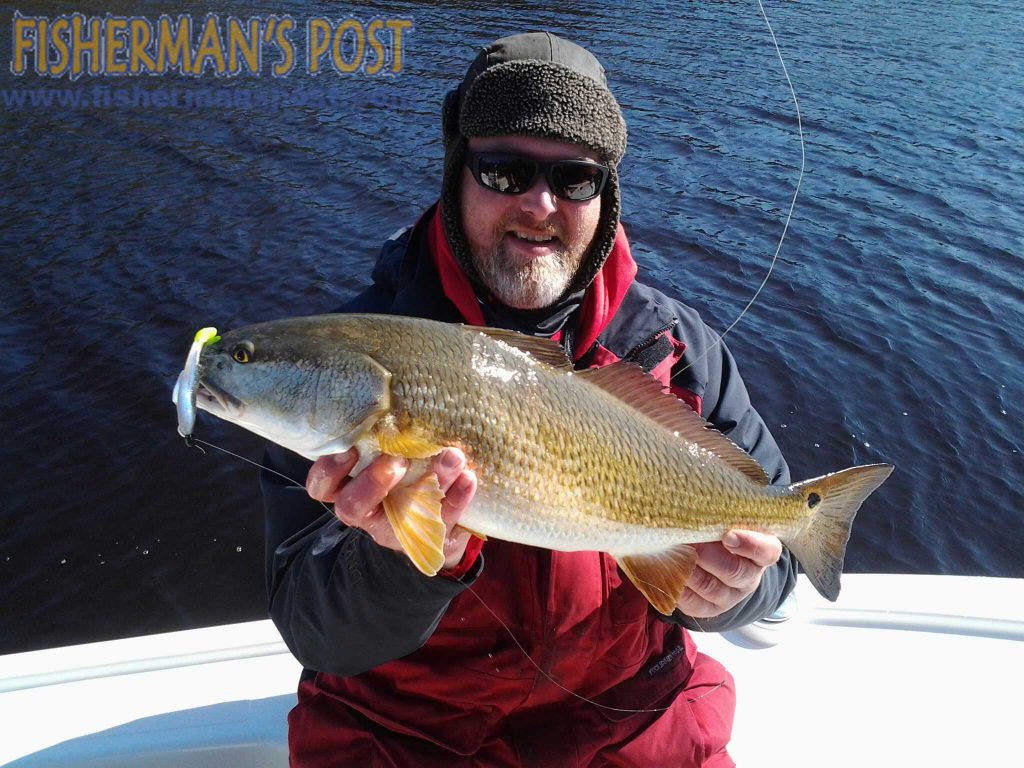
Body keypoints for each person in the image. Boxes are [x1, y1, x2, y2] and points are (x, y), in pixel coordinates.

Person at [262, 32, 797, 767]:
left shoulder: (679, 349)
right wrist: (400, 563)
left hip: (632, 731)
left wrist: (737, 589)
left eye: (575, 179)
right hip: (404, 738)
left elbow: (785, 538)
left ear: (606, 197)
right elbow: (316, 631)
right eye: (504, 170)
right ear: (456, 174)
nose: (539, 205)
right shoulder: (350, 367)